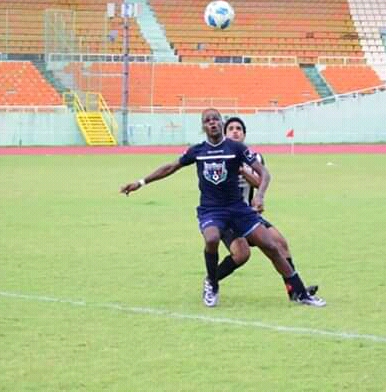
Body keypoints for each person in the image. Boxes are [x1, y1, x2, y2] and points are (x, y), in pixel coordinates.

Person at [120, 108, 324, 308]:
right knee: (212, 239)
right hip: (211, 210)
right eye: (208, 120)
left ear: (221, 122)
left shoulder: (236, 149)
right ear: (203, 126)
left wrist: (260, 196)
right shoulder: (197, 151)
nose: (212, 122)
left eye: (216, 119)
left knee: (272, 245)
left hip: (238, 209)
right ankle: (212, 284)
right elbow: (170, 167)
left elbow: (264, 174)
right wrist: (141, 182)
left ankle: (299, 292)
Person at [216, 117, 323, 305]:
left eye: (239, 128)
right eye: (231, 128)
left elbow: (259, 182)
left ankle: (295, 291)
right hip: (226, 216)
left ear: (244, 134)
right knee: (241, 255)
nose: (235, 131)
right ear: (225, 134)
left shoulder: (254, 158)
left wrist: (243, 172)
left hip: (248, 215)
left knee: (280, 243)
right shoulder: (217, 157)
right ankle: (211, 280)